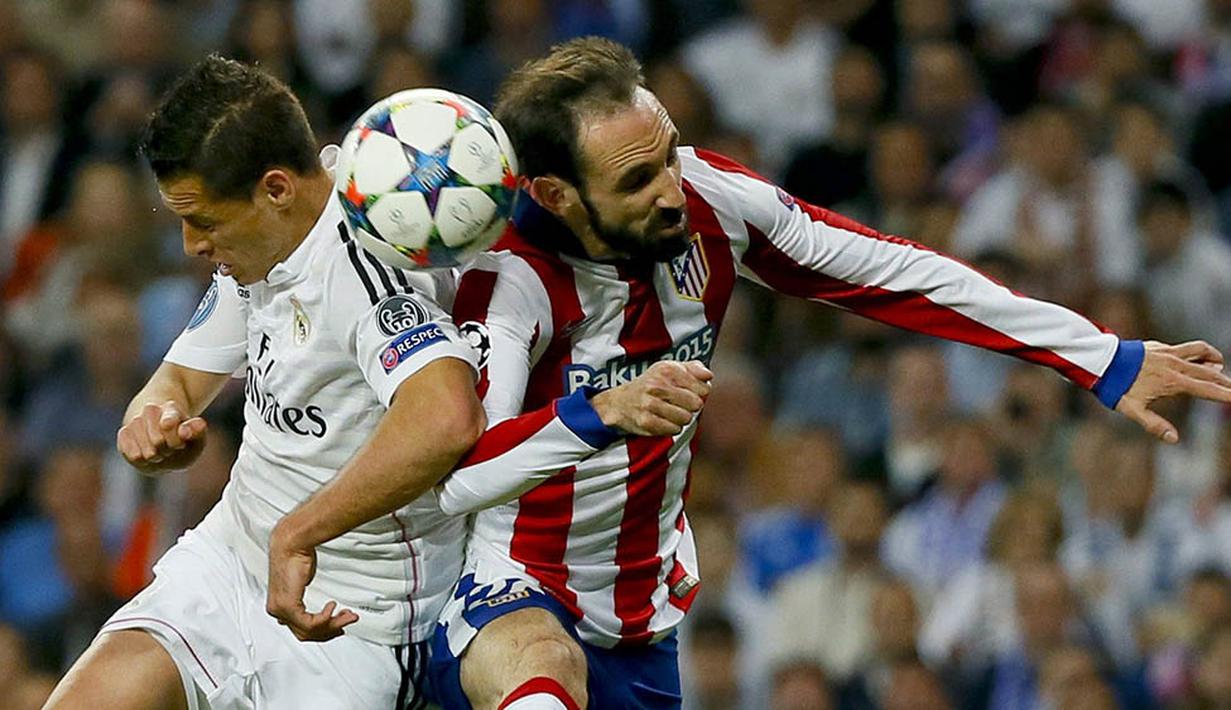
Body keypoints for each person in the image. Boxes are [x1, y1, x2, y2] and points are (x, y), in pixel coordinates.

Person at [427, 37, 1231, 710]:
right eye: (637, 181)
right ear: (555, 193)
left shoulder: (712, 201)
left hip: (641, 614)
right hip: (512, 589)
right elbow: (466, 473)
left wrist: (1101, 356)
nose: (672, 190)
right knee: (541, 675)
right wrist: (601, 410)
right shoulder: (507, 281)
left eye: (667, 154)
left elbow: (899, 275)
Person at [43, 55, 710, 710]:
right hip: (229, 561)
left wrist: (297, 533)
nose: (191, 243)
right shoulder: (269, 241)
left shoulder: (367, 270)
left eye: (203, 220)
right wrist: (153, 421)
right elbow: (180, 381)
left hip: (357, 617)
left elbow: (446, 418)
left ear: (276, 189)